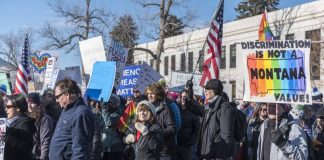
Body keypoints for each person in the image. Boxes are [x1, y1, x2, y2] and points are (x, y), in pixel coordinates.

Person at [49, 79, 95, 160]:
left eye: (57, 97)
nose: (56, 100)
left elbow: (81, 149)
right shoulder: (67, 110)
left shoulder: (81, 113)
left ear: (67, 95)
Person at [195, 79, 236, 160]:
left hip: (217, 155)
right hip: (207, 154)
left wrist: (219, 157)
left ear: (214, 91)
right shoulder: (209, 106)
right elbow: (195, 109)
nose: (205, 91)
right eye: (205, 89)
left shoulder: (224, 107)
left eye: (207, 89)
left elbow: (226, 136)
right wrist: (189, 96)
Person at [145, 84, 176, 160]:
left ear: (158, 94)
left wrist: (159, 132)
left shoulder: (165, 109)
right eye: (148, 94)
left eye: (152, 93)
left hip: (163, 150)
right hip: (150, 148)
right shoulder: (146, 108)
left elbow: (172, 128)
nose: (149, 96)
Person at [4, 94, 35, 160]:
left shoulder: (24, 123)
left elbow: (28, 147)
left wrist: (10, 140)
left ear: (18, 108)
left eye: (8, 106)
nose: (6, 109)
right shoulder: (9, 122)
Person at [27, 92, 54, 160]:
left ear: (38, 104)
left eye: (32, 103)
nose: (29, 105)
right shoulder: (26, 117)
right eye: (28, 102)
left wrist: (43, 158)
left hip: (38, 156)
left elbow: (46, 141)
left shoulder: (45, 119)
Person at [176, 89, 200, 160]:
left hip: (187, 147)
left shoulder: (193, 111)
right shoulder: (176, 109)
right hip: (176, 145)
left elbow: (197, 130)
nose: (183, 99)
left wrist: (190, 143)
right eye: (182, 97)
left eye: (185, 97)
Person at [100, 93, 124, 160]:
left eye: (110, 103)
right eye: (107, 103)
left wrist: (104, 109)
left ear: (115, 104)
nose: (108, 105)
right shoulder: (105, 114)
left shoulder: (118, 115)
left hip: (115, 148)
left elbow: (109, 123)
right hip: (105, 148)